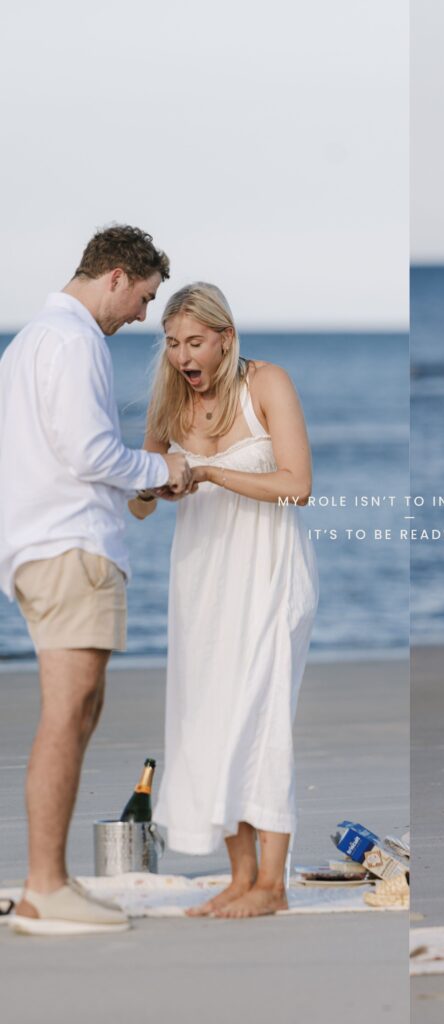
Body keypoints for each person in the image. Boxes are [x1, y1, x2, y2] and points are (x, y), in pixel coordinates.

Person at [0, 225, 192, 936]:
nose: (141, 316)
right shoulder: (74, 339)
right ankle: (44, 886)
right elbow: (87, 451)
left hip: (41, 547)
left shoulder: (28, 342)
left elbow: (49, 455)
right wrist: (162, 471)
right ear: (115, 277)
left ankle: (47, 882)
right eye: (142, 299)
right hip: (69, 550)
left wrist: (135, 484)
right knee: (67, 713)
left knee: (76, 712)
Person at [129, 282, 318, 918]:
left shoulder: (266, 384)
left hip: (269, 573)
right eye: (172, 342)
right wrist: (158, 484)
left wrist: (208, 472)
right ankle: (240, 878)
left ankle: (274, 884)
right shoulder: (169, 404)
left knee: (261, 717)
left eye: (195, 342)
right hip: (201, 581)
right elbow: (138, 505)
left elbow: (298, 487)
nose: (183, 355)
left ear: (225, 338)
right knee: (208, 718)